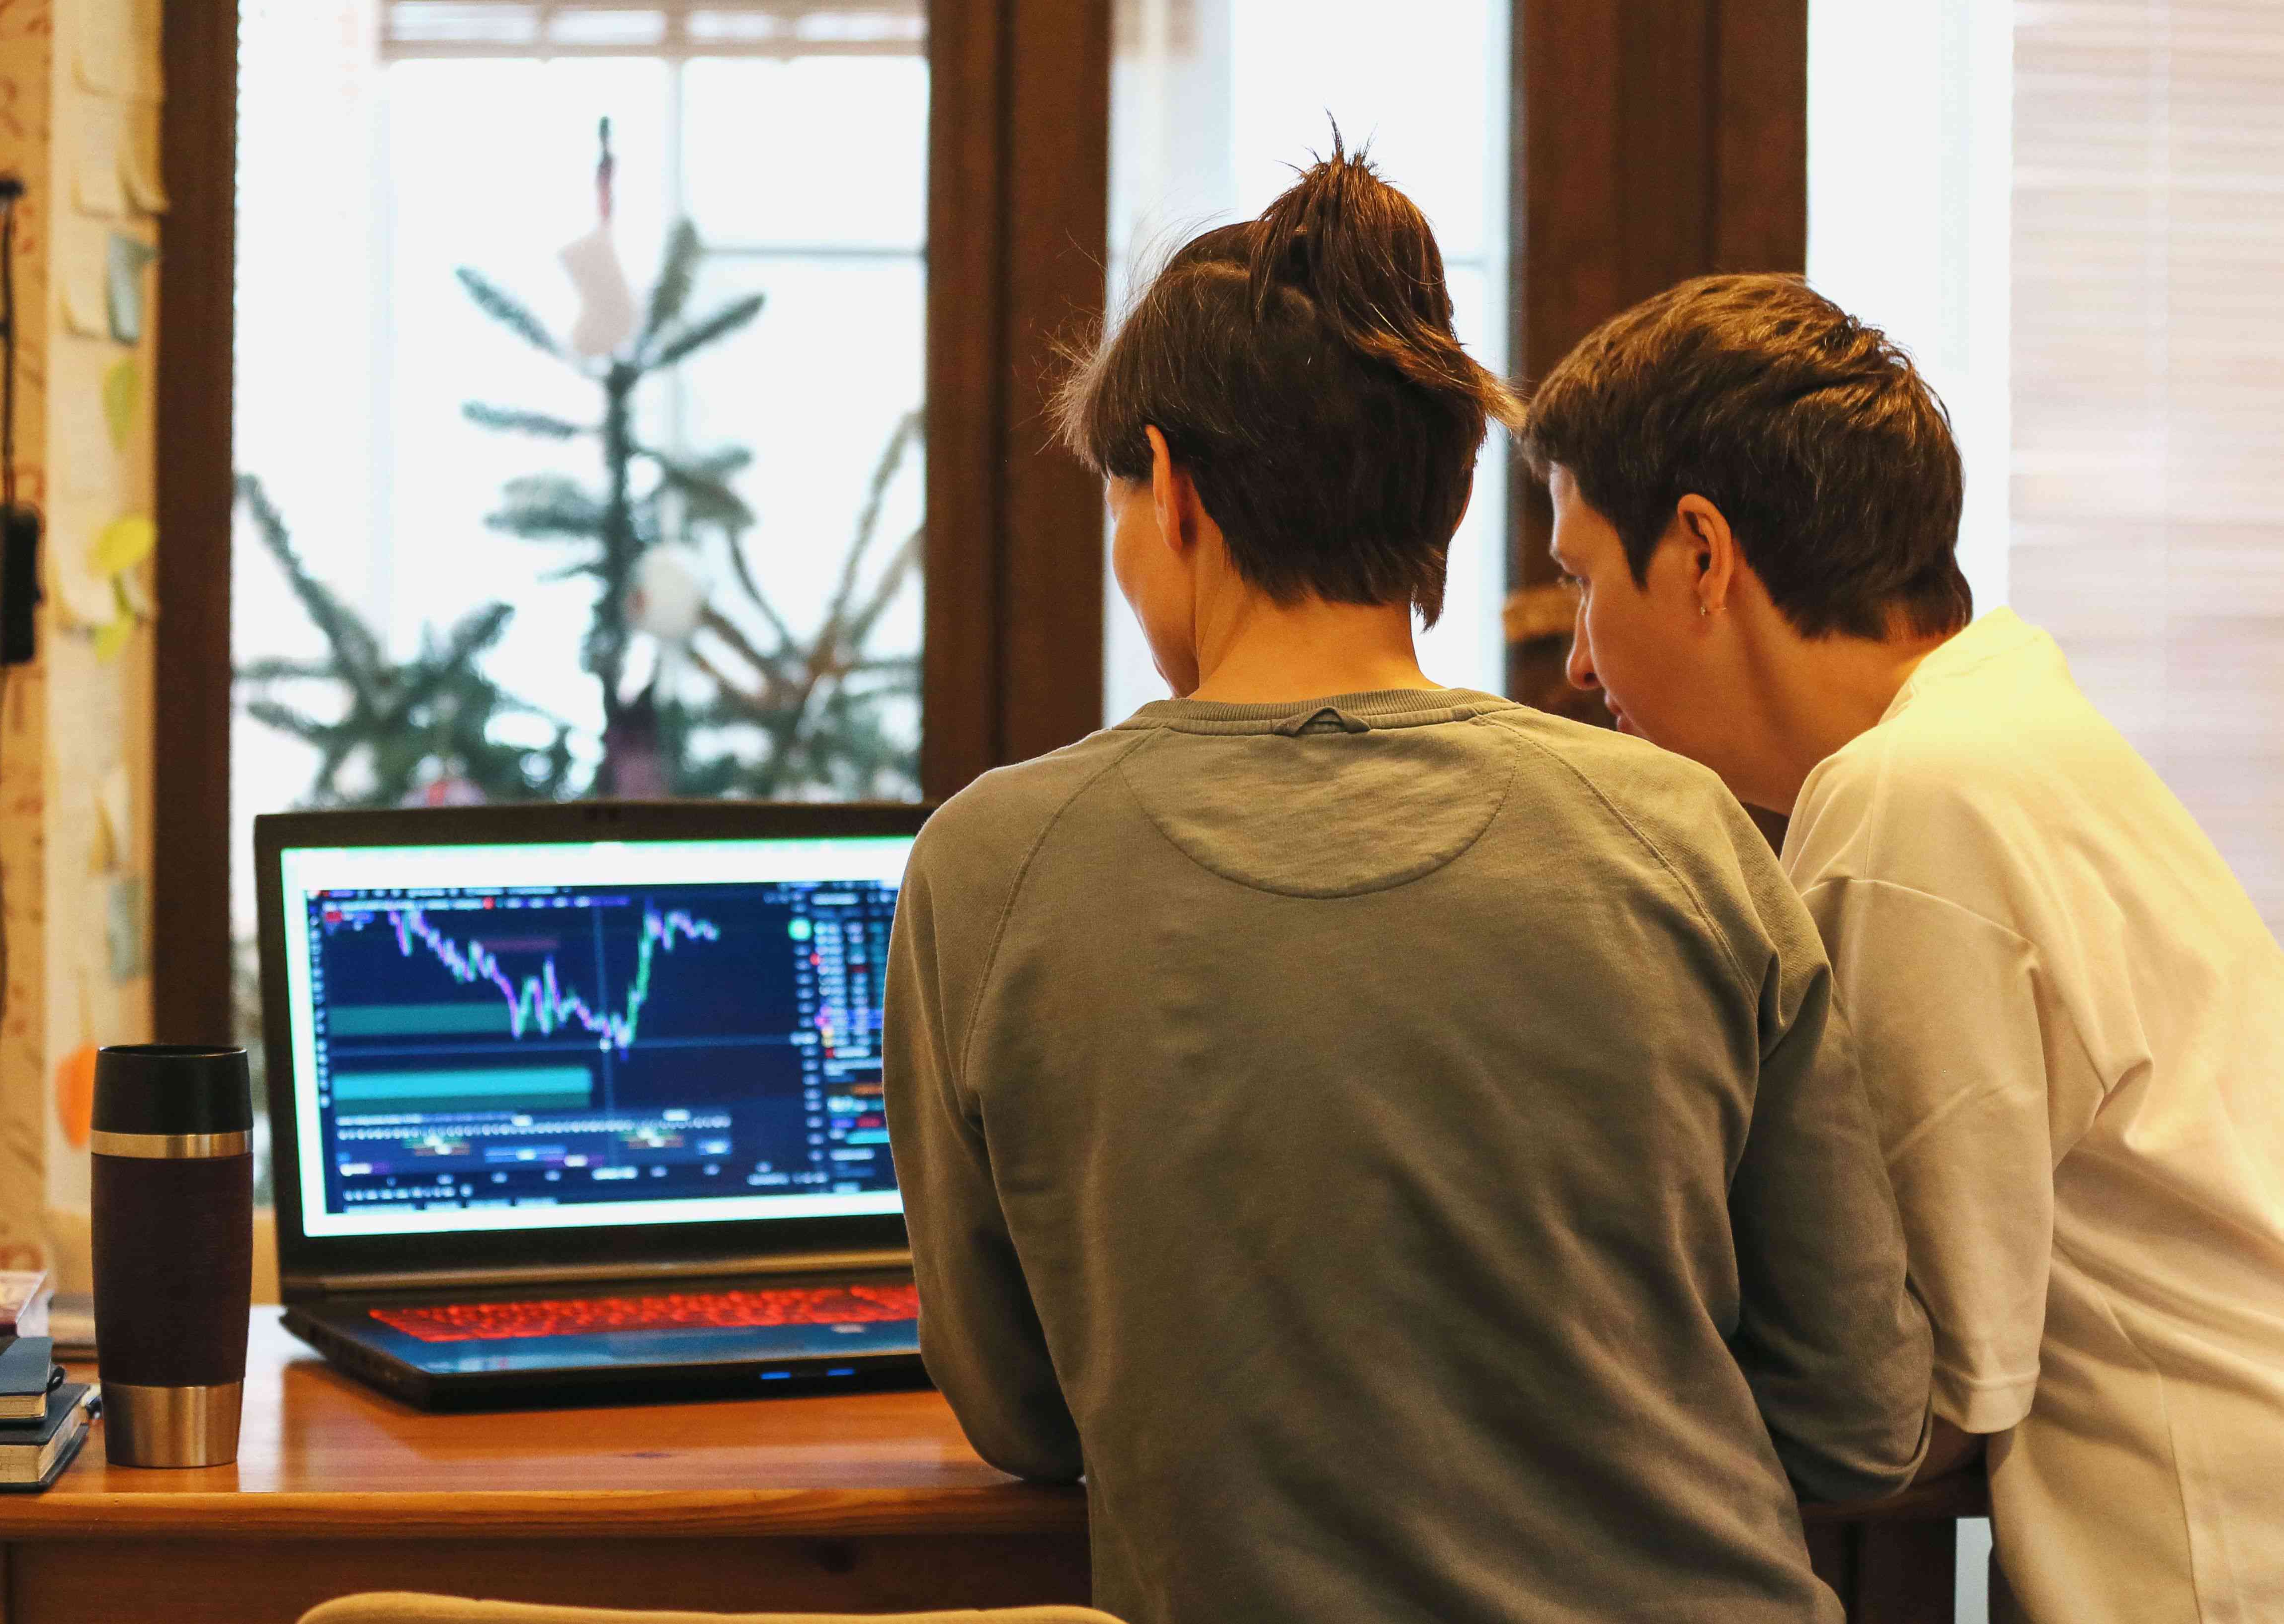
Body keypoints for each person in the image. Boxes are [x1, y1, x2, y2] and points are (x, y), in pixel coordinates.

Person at [881, 149, 1930, 1624]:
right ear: (1438, 505)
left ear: (1171, 493)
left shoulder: (992, 870)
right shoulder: (1684, 837)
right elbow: (1857, 1417)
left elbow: (1025, 1414)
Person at [1524, 272, 2284, 1624]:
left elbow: (1910, 1392)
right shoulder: (1995, 726)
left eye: (1583, 581)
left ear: (1702, 552)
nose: (1580, 664)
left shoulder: (1916, 797)